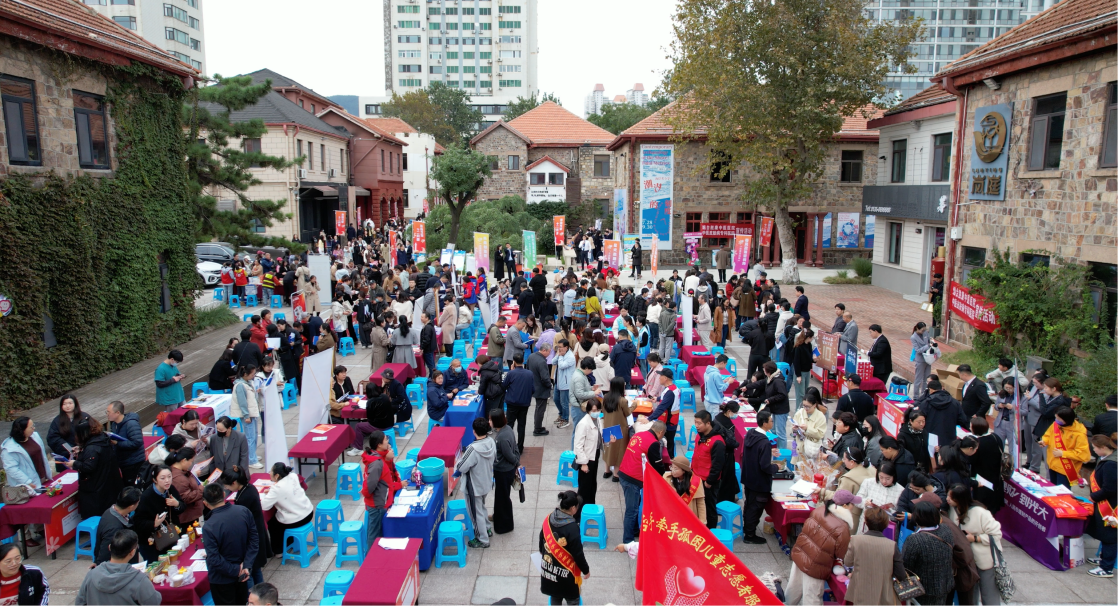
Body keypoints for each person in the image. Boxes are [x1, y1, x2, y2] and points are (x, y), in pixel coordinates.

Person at [787, 498, 853, 606]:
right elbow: (842, 554)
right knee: (812, 597)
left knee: (794, 587)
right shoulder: (843, 527)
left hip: (801, 552)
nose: (853, 508)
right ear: (845, 506)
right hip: (816, 565)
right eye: (852, 504)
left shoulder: (820, 509)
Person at [202, 483, 259, 606]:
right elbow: (254, 540)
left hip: (222, 579)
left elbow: (213, 558)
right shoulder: (243, 511)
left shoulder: (209, 526)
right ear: (224, 495)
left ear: (205, 503)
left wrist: (235, 570)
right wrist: (246, 565)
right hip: (243, 572)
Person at [946, 484, 1004, 605]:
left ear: (960, 499)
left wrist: (975, 538)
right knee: (970, 599)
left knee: (989, 598)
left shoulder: (981, 513)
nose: (947, 499)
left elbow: (996, 535)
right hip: (967, 563)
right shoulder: (952, 511)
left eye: (951, 497)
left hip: (985, 562)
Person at [76, 531, 158, 605]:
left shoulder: (91, 575)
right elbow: (154, 602)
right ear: (132, 552)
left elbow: (80, 602)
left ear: (109, 547)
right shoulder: (140, 580)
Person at [619, 421, 669, 543]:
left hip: (624, 472)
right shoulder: (653, 442)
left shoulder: (638, 435)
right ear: (661, 432)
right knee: (632, 510)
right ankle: (628, 540)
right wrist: (665, 475)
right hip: (633, 478)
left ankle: (635, 530)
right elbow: (657, 464)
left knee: (635, 505)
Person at [219, 468, 270, 588]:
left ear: (234, 483)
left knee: (249, 572)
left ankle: (252, 596)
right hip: (256, 530)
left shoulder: (244, 498)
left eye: (226, 485)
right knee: (256, 568)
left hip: (251, 535)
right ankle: (261, 592)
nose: (226, 488)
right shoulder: (249, 488)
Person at [844, 506, 905, 605]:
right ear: (885, 524)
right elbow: (901, 575)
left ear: (866, 522)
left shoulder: (856, 540)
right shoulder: (892, 545)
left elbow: (847, 562)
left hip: (861, 591)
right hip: (884, 594)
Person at [539, 491, 590, 606]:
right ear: (573, 508)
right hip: (567, 576)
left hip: (551, 572)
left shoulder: (548, 518)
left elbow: (541, 540)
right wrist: (585, 570)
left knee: (555, 598)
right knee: (572, 600)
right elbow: (578, 554)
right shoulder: (572, 528)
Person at [902, 501, 956, 605]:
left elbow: (906, 567)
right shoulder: (946, 530)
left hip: (923, 590)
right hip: (945, 585)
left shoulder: (915, 540)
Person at [69, 419, 123, 520]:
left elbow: (88, 467)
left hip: (97, 489)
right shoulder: (103, 438)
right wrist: (81, 450)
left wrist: (74, 463)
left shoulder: (92, 448)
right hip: (109, 484)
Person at [455, 418, 496, 548]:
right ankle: (487, 528)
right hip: (486, 482)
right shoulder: (491, 442)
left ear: (474, 431)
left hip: (474, 486)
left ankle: (482, 539)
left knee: (474, 513)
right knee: (481, 507)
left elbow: (461, 467)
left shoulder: (473, 449)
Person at [259, 463, 315, 558]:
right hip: (308, 512)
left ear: (277, 475)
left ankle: (279, 550)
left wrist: (270, 494)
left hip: (297, 519)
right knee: (279, 517)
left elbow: (264, 506)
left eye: (270, 472)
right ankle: (290, 540)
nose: (269, 473)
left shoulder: (277, 489)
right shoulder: (293, 476)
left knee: (273, 523)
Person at [360, 431, 402, 549]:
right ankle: (370, 561)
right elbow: (370, 485)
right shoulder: (377, 463)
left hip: (379, 502)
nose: (388, 441)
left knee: (377, 533)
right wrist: (364, 492)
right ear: (379, 444)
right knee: (374, 535)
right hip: (377, 504)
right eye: (385, 440)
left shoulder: (377, 459)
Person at [133, 465, 185, 562]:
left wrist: (176, 504)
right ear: (155, 480)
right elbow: (138, 522)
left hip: (171, 536)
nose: (167, 481)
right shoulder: (146, 497)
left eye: (169, 477)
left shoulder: (171, 489)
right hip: (152, 543)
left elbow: (182, 507)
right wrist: (154, 524)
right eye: (163, 478)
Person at [740, 410, 777, 543]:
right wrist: (776, 467)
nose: (772, 422)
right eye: (771, 420)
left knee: (749, 504)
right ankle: (750, 535)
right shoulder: (764, 442)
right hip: (759, 481)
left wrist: (769, 452)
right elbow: (765, 466)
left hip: (749, 477)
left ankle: (747, 529)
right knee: (755, 508)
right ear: (765, 423)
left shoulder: (750, 433)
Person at [819, 446, 875, 532]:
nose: (843, 461)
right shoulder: (872, 470)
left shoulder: (848, 478)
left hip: (853, 516)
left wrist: (821, 492)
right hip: (870, 514)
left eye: (845, 459)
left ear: (852, 462)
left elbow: (839, 496)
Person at [2, 417, 53, 511]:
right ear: (22, 430)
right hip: (26, 486)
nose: (33, 428)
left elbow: (42, 456)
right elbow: (11, 469)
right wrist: (28, 482)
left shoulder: (35, 436)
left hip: (42, 478)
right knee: (34, 510)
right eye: (31, 427)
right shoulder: (9, 449)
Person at [1085, 435, 1117, 577]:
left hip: (1111, 506)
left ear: (1104, 448)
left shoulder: (1111, 464)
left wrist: (1094, 496)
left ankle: (1106, 568)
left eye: (1095, 448)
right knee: (1105, 534)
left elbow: (1110, 488)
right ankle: (1104, 559)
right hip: (1105, 503)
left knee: (1109, 535)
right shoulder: (1107, 460)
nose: (1094, 450)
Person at [691, 411, 727, 529]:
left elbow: (718, 465)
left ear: (708, 423)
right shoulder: (699, 435)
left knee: (709, 507)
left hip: (708, 482)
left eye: (699, 423)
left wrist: (709, 482)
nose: (696, 425)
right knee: (698, 506)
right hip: (696, 477)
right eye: (695, 422)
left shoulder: (717, 441)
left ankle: (711, 530)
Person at [962, 417, 1004, 515]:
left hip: (981, 479)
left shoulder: (977, 443)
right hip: (996, 477)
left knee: (981, 506)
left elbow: (971, 460)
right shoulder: (996, 437)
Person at [1040, 406, 1090, 487]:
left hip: (1066, 469)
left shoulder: (1079, 434)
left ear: (1067, 420)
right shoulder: (1056, 424)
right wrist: (1044, 441)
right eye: (1056, 417)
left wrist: (1063, 453)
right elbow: (1048, 435)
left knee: (1063, 493)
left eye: (1058, 419)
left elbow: (1083, 455)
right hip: (1052, 464)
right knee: (1053, 490)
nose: (1056, 420)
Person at [490, 410, 521, 535]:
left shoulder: (502, 437)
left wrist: (517, 463)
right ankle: (498, 517)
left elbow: (509, 454)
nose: (489, 422)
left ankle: (504, 525)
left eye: (491, 420)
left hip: (503, 471)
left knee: (502, 498)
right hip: (506, 470)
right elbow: (515, 448)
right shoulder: (508, 429)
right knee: (501, 497)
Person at [94, 487, 141, 565]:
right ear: (131, 506)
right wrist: (97, 563)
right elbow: (104, 554)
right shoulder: (114, 528)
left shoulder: (110, 511)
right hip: (121, 569)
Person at [919, 378, 968, 450]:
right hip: (949, 438)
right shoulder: (955, 403)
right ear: (941, 388)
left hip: (930, 438)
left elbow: (920, 420)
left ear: (931, 390)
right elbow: (963, 420)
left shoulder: (926, 403)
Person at [573, 399, 604, 515]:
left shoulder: (599, 420)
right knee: (584, 488)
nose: (596, 412)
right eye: (594, 410)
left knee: (592, 485)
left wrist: (608, 441)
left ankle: (590, 508)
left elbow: (599, 438)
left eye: (598, 410)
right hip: (586, 459)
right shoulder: (583, 424)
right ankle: (579, 514)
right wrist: (583, 463)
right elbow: (578, 446)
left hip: (595, 455)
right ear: (588, 411)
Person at [599, 373, 631, 480]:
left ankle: (606, 471)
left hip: (607, 426)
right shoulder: (623, 401)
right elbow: (627, 413)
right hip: (620, 429)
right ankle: (616, 474)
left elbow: (603, 411)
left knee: (608, 449)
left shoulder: (606, 397)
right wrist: (634, 405)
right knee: (619, 451)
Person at [855, 462, 905, 531]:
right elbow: (857, 500)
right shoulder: (868, 482)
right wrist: (866, 502)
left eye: (888, 478)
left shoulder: (901, 490)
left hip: (887, 525)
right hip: (867, 523)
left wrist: (890, 511)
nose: (884, 481)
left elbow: (900, 511)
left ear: (893, 476)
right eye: (881, 477)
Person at [105, 401, 145, 485]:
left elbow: (137, 442)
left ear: (117, 413)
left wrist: (117, 443)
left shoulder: (131, 424)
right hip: (123, 461)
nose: (107, 414)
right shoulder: (114, 424)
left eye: (108, 412)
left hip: (134, 462)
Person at [502, 353, 536, 452]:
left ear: (514, 362)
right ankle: (520, 447)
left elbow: (504, 386)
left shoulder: (511, 373)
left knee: (509, 425)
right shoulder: (529, 373)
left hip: (512, 403)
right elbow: (533, 389)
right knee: (521, 426)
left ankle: (508, 446)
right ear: (523, 361)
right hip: (524, 403)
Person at [231, 365, 261, 468]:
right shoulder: (240, 385)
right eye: (252, 374)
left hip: (252, 413)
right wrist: (246, 415)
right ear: (245, 374)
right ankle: (251, 460)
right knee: (250, 437)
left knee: (254, 435)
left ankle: (253, 455)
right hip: (247, 415)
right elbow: (242, 402)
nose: (253, 376)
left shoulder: (247, 383)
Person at [165, 447, 203, 525]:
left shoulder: (180, 471)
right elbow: (185, 497)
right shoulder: (178, 478)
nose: (191, 464)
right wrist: (201, 489)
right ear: (184, 460)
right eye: (191, 461)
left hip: (190, 514)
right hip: (187, 517)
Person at [46, 394, 91, 459]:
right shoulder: (57, 420)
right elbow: (53, 438)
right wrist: (69, 448)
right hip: (65, 454)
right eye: (64, 404)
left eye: (70, 403)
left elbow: (92, 432)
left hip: (84, 452)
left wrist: (80, 447)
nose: (67, 406)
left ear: (75, 404)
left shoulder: (84, 417)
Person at [528, 343, 554, 437]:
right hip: (541, 389)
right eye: (549, 352)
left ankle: (538, 426)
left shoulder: (531, 356)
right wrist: (549, 385)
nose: (550, 353)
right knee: (540, 410)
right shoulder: (542, 362)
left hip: (534, 386)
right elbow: (545, 378)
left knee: (538, 408)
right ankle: (537, 429)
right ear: (544, 350)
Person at [791, 393, 827, 460]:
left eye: (808, 406)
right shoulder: (799, 413)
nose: (805, 408)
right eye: (804, 406)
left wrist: (807, 429)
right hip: (799, 448)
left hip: (812, 449)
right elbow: (793, 432)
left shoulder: (820, 416)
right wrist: (794, 430)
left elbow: (820, 434)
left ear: (814, 405)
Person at [898, 407, 932, 473]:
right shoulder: (902, 435)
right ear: (911, 421)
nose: (922, 424)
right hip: (910, 468)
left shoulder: (924, 432)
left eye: (923, 421)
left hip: (924, 467)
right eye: (919, 422)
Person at [910, 323, 935, 398]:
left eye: (924, 330)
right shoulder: (913, 337)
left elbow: (928, 340)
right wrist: (927, 346)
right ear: (917, 329)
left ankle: (924, 394)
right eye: (922, 330)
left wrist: (931, 342)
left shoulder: (925, 333)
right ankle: (916, 396)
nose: (923, 331)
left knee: (926, 378)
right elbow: (917, 350)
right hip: (920, 359)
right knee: (918, 379)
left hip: (928, 358)